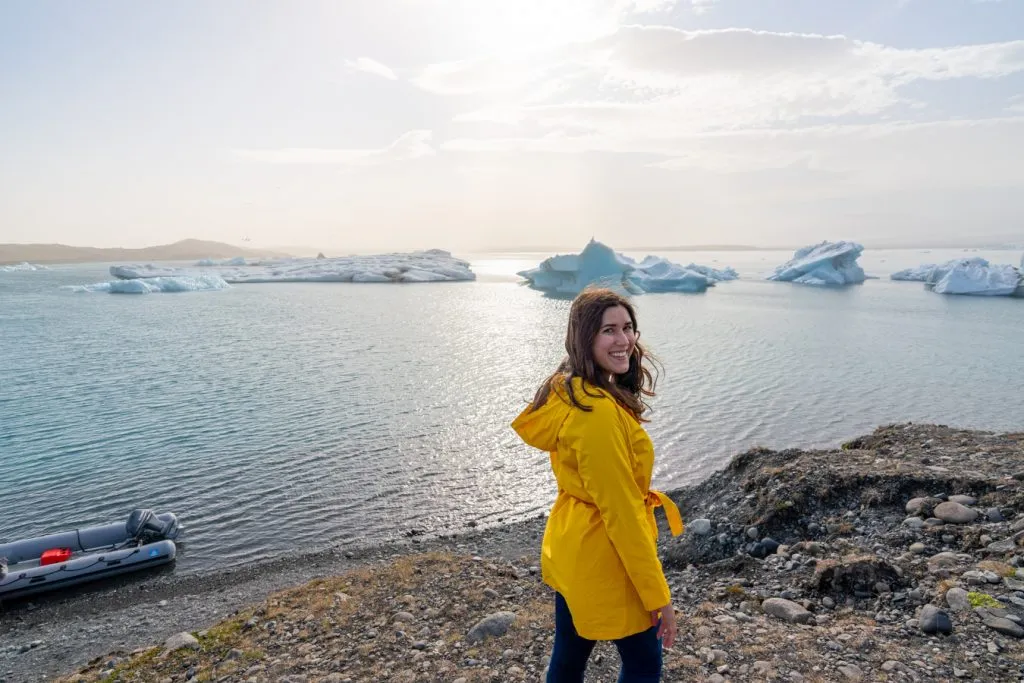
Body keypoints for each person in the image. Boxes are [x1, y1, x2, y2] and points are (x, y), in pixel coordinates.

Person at [512, 287, 685, 683]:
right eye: (609, 330)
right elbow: (621, 513)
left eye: (628, 328)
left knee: (569, 658)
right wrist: (659, 598)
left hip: (575, 548)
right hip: (607, 558)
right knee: (644, 663)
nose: (623, 340)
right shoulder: (598, 416)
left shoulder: (570, 390)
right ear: (584, 338)